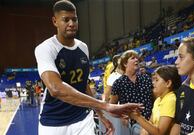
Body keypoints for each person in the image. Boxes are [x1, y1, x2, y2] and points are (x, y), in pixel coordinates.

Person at [34, 1, 142, 135]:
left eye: (74, 19)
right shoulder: (45, 48)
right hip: (53, 122)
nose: (71, 23)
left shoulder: (83, 47)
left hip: (82, 119)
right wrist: (105, 106)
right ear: (55, 21)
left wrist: (100, 114)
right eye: (66, 20)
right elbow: (55, 89)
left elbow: (83, 84)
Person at [110, 50, 154, 134]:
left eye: (137, 58)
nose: (136, 60)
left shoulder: (146, 78)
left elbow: (155, 99)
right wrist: (121, 116)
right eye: (133, 58)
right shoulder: (118, 83)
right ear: (125, 64)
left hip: (152, 120)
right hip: (134, 123)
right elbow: (112, 107)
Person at [129, 65, 182, 135]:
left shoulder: (170, 99)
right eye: (153, 79)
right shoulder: (158, 99)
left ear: (168, 83)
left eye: (157, 80)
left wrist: (138, 117)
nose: (153, 83)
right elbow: (151, 121)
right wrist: (145, 129)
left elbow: (159, 132)